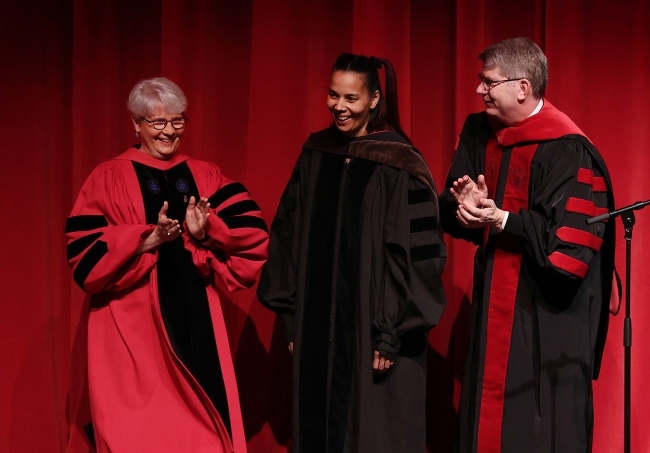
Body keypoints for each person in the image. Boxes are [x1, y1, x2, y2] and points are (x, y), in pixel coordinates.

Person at [65, 77, 269, 453]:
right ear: (136, 123)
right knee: (140, 431)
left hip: (196, 318)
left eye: (177, 121)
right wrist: (147, 240)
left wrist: (206, 233)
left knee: (202, 433)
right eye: (157, 123)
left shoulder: (205, 174)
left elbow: (252, 232)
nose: (169, 132)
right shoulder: (108, 177)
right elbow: (83, 255)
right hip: (130, 324)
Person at [257, 52, 447, 453]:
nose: (338, 107)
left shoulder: (400, 163)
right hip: (316, 331)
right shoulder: (316, 153)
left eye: (351, 99)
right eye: (333, 95)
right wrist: (291, 316)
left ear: (374, 99)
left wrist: (391, 333)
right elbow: (287, 234)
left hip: (372, 333)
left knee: (373, 433)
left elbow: (416, 256)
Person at [439, 37, 616, 452]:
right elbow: (454, 206)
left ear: (522, 87)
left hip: (546, 315)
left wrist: (500, 219)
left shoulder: (568, 148)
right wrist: (461, 207)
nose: (479, 90)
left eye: (488, 82)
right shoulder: (477, 131)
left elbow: (567, 246)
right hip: (493, 306)